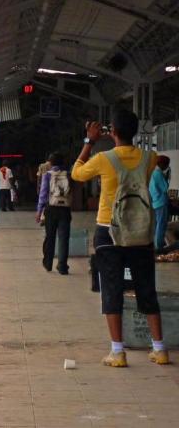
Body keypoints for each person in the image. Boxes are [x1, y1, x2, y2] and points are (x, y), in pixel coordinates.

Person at [71, 111, 168, 367]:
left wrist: (89, 141)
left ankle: (118, 352)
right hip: (140, 232)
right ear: (135, 131)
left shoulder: (104, 158)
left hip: (109, 231)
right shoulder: (149, 158)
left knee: (112, 289)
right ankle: (159, 349)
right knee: (146, 287)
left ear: (112, 131)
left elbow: (76, 173)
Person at [36, 152, 71, 274]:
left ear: (50, 163)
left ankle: (48, 263)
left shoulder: (47, 175)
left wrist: (39, 211)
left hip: (51, 209)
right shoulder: (68, 174)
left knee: (50, 237)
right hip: (65, 209)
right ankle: (62, 266)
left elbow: (43, 194)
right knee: (64, 238)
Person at [150, 155, 171, 251]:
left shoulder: (153, 173)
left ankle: (156, 245)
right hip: (161, 202)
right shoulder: (158, 173)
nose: (167, 167)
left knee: (157, 225)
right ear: (162, 164)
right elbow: (165, 188)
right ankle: (159, 247)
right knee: (161, 225)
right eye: (167, 165)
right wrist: (166, 177)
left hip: (155, 202)